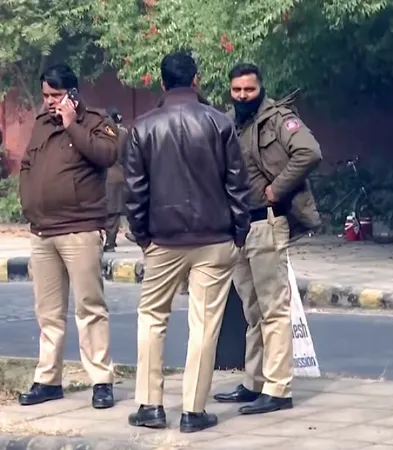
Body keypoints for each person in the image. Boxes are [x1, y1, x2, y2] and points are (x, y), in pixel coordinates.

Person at [124, 50, 250, 433]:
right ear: (196, 80)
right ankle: (193, 411)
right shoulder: (219, 123)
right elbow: (237, 183)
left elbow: (135, 191)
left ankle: (150, 405)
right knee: (205, 325)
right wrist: (239, 231)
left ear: (163, 83)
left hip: (163, 238)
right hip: (215, 236)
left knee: (152, 318)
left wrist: (142, 235)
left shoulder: (142, 127)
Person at [213, 63, 322, 414]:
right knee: (253, 310)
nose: (243, 95)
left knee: (273, 309)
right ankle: (254, 382)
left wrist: (277, 187)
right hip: (238, 226)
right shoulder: (227, 122)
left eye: (249, 89)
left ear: (260, 88)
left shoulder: (279, 119)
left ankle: (277, 389)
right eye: (237, 90)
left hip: (267, 222)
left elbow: (309, 152)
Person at [18, 63, 118, 409]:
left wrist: (72, 124)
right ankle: (48, 380)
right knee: (48, 312)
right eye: (46, 95)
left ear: (73, 93)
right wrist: (28, 202)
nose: (50, 101)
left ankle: (101, 380)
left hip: (80, 228)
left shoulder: (96, 121)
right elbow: (28, 166)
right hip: (42, 231)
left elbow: (107, 155)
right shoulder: (41, 124)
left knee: (89, 307)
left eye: (56, 95)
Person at [103, 107, 128, 252]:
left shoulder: (100, 132)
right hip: (119, 175)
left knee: (103, 210)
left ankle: (101, 240)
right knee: (115, 212)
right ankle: (110, 241)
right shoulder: (124, 133)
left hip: (101, 176)